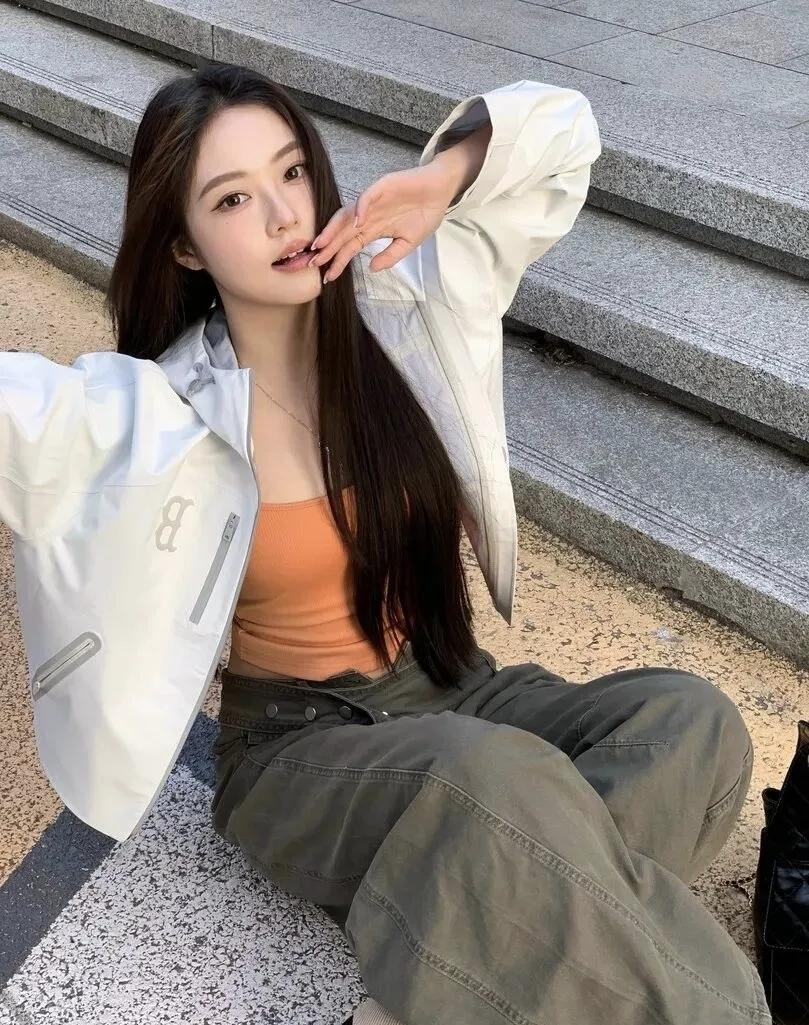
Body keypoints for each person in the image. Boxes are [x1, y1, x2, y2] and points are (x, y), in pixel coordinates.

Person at [1, 63, 769, 1024]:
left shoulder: (407, 303)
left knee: (687, 722)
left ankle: (460, 960)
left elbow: (563, 132)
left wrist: (443, 179)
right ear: (185, 246)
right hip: (300, 743)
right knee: (494, 782)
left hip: (450, 684)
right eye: (233, 199)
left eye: (292, 172)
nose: (283, 214)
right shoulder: (150, 413)